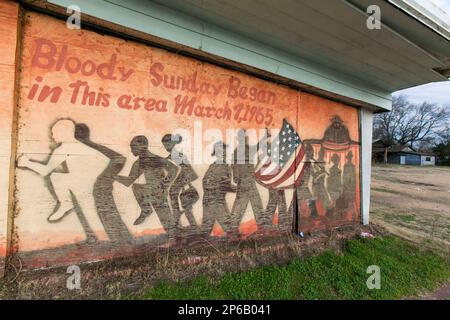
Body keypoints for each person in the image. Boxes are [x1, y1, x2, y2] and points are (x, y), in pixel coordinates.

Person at [17, 119, 108, 243]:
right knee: (89, 210)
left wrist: (27, 163)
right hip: (86, 180)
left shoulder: (63, 149)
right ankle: (99, 237)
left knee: (88, 210)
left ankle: (65, 203)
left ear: (64, 132)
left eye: (54, 132)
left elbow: (45, 171)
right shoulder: (78, 146)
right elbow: (104, 160)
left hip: (85, 182)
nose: (52, 135)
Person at [115, 135, 178, 239]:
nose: (131, 150)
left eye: (133, 147)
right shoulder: (138, 163)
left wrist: (165, 185)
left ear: (143, 146)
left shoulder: (153, 158)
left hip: (158, 193)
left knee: (167, 221)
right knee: (136, 187)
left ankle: (175, 239)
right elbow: (128, 181)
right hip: (151, 191)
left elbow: (174, 169)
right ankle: (146, 210)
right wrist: (113, 177)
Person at [161, 134, 199, 234]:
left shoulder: (179, 156)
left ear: (173, 143)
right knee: (177, 208)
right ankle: (179, 227)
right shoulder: (168, 158)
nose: (166, 147)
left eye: (167, 144)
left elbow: (190, 173)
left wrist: (180, 183)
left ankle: (192, 227)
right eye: (164, 145)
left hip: (183, 188)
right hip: (175, 189)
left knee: (184, 208)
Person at [202, 141, 238, 237]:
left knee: (206, 229)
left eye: (225, 151)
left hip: (208, 200)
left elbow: (205, 182)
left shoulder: (213, 166)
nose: (225, 154)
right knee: (230, 229)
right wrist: (239, 189)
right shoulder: (225, 167)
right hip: (217, 201)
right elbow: (227, 186)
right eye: (222, 152)